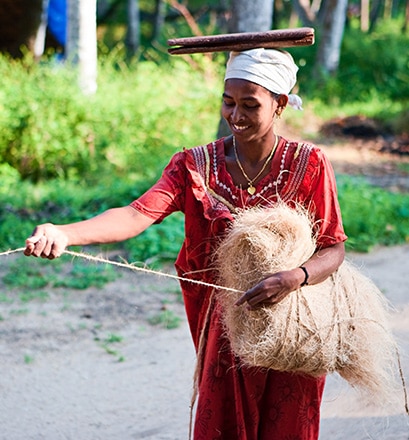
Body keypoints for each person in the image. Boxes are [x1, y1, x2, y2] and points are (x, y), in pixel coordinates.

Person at [24, 47, 347, 439]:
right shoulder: (194, 166)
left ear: (280, 104)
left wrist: (295, 277)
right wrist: (65, 232)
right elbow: (136, 214)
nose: (236, 116)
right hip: (226, 330)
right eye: (228, 103)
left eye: (250, 105)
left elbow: (333, 248)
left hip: (294, 329)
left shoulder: (309, 162)